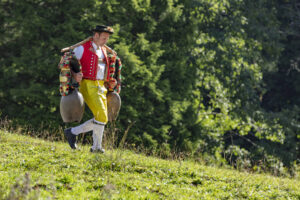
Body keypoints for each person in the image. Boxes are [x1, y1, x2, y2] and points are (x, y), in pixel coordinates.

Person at [64, 25, 117, 153]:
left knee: (101, 117)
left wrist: (109, 80)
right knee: (102, 117)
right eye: (103, 38)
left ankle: (95, 146)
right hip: (88, 85)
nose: (106, 41)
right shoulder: (82, 48)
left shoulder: (103, 50)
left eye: (107, 38)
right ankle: (74, 133)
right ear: (96, 35)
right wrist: (75, 74)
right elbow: (66, 62)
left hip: (101, 86)